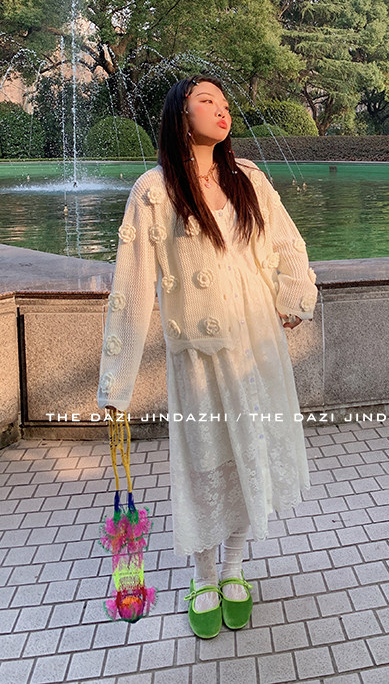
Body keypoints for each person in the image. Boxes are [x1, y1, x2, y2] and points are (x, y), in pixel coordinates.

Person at [96, 75, 319, 638]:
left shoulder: (249, 178)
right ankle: (203, 575)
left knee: (249, 453)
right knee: (202, 461)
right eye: (206, 101)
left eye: (223, 102)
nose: (221, 110)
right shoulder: (154, 190)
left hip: (255, 342)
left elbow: (287, 241)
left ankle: (235, 566)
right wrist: (116, 383)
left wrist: (294, 295)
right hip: (196, 350)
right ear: (180, 114)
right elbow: (131, 287)